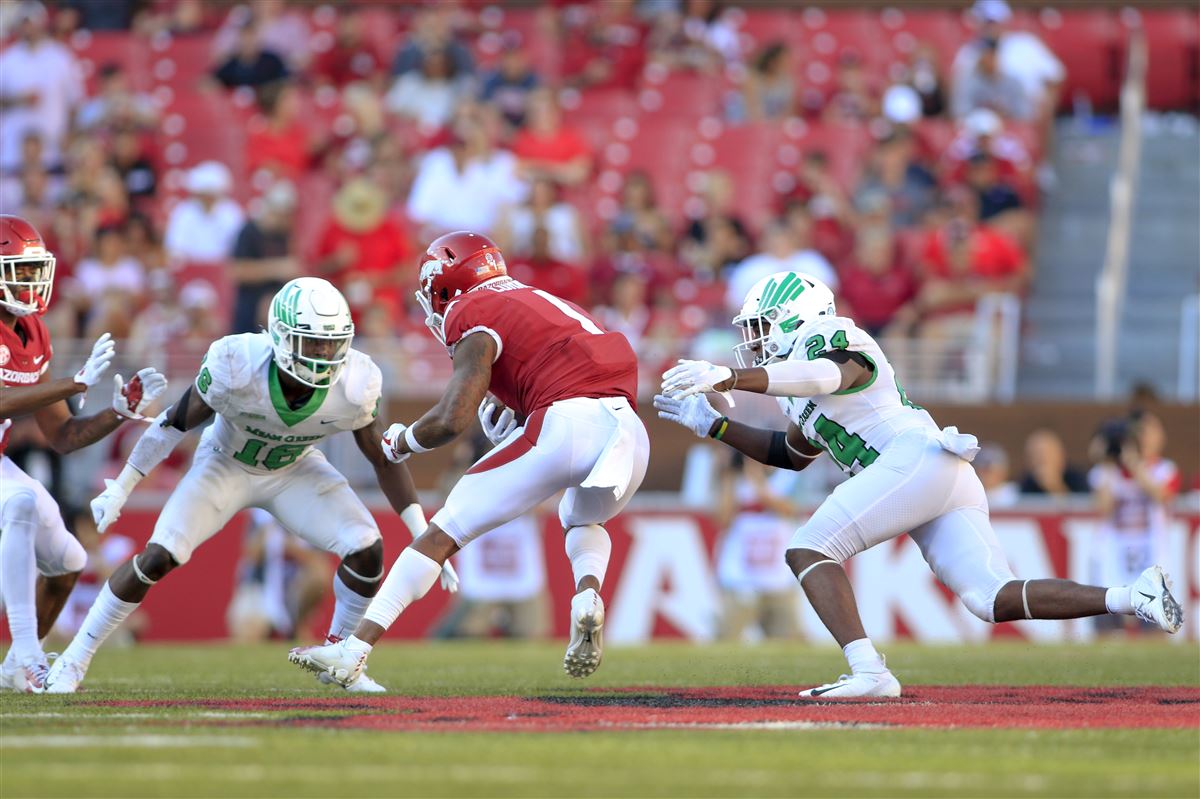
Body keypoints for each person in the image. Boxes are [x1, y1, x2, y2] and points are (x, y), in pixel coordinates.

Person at [653, 270, 1185, 698]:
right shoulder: (792, 388)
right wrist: (714, 424)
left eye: (764, 325)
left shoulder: (838, 340)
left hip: (915, 460)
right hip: (933, 470)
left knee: (809, 547)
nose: (756, 340)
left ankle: (869, 671)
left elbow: (828, 376)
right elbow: (790, 455)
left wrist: (732, 377)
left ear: (798, 319)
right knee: (990, 597)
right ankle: (1132, 595)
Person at [42, 278, 458, 694]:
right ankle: (74, 659)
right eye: (310, 343)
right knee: (160, 555)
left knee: (366, 548)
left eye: (330, 344)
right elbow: (174, 422)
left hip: (295, 468)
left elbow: (382, 459)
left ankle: (342, 658)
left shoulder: (356, 381)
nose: (323, 354)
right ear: (279, 335)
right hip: (225, 463)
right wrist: (124, 484)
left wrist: (422, 534)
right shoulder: (236, 362)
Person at [288, 231, 648, 685]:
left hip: (570, 421)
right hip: (630, 431)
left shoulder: (471, 309)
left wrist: (402, 441)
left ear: (443, 286)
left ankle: (352, 651)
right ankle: (588, 593)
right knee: (581, 520)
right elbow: (569, 366)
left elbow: (452, 418)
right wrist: (523, 415)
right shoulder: (534, 297)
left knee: (442, 533)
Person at [0, 215, 167, 692]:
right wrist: (73, 382)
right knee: (21, 503)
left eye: (34, 270)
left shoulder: (33, 331)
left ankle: (13, 667)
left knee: (69, 563)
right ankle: (30, 651)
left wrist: (116, 411)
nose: (30, 281)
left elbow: (64, 436)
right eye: (19, 270)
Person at [1089, 412, 1180, 635]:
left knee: (1155, 628)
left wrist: (1135, 464)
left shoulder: (1164, 469)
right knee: (1108, 624)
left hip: (1151, 557)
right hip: (1114, 559)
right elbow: (1103, 508)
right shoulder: (1106, 473)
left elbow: (1161, 495)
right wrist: (1108, 462)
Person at [0, 1, 84, 173]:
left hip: (52, 150)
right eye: (25, 22)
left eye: (32, 22)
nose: (28, 27)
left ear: (42, 23)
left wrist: (70, 136)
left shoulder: (61, 58)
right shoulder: (7, 60)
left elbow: (75, 103)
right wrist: (17, 100)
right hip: (13, 152)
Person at [230, 179, 299, 333]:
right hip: (249, 310)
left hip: (273, 308)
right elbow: (238, 271)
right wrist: (277, 268)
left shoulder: (283, 235)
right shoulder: (248, 233)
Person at [163, 161, 245, 264]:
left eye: (212, 195)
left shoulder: (231, 212)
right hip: (190, 269)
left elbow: (236, 247)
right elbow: (174, 247)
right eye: (205, 195)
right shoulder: (184, 212)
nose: (208, 199)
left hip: (222, 269)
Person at [1019, 428, 1089, 496]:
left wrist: (1055, 487)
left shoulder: (1077, 478)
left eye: (1047, 453)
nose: (1042, 460)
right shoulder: (1027, 482)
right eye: (1035, 455)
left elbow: (1083, 504)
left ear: (1061, 455)